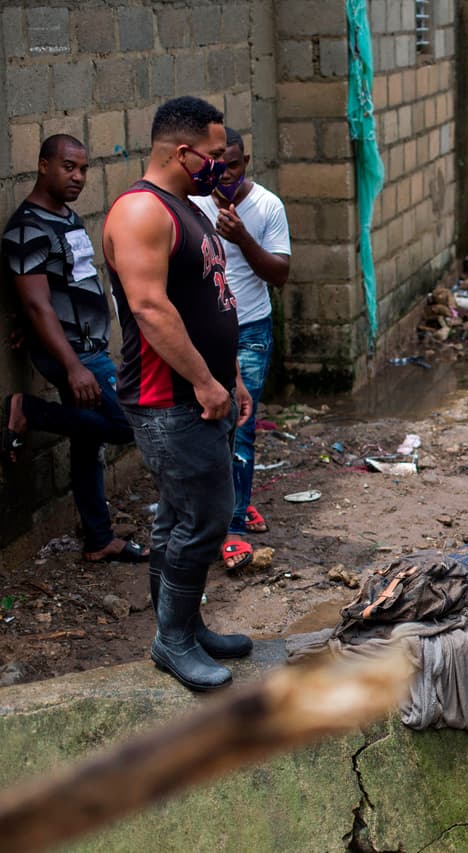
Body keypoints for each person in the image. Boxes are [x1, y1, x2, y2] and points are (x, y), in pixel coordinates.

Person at [102, 96, 253, 691]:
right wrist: (202, 381)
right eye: (215, 155)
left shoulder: (186, 206)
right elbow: (149, 307)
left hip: (205, 392)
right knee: (205, 520)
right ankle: (173, 641)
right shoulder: (141, 211)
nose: (223, 165)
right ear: (183, 152)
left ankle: (187, 624)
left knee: (178, 520)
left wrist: (231, 377)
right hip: (170, 399)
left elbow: (208, 301)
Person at [1, 134, 149, 564]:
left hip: (85, 348)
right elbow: (34, 301)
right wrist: (72, 366)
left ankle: (98, 537)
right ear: (43, 165)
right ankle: (29, 410)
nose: (79, 177)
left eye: (83, 169)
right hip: (74, 355)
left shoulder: (65, 217)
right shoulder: (28, 229)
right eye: (68, 167)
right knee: (126, 423)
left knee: (88, 442)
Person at [190, 127, 291, 571]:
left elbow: (280, 274)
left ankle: (232, 525)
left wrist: (242, 238)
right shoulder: (191, 204)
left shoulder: (267, 206)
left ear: (245, 161)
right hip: (199, 334)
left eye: (233, 165)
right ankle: (226, 504)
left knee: (241, 428)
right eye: (218, 165)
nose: (225, 174)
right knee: (201, 428)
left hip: (248, 329)